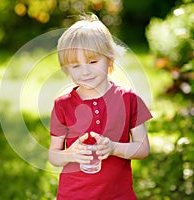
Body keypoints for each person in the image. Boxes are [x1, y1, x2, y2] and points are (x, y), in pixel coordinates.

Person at [48, 13, 152, 200]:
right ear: (66, 68)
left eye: (92, 62)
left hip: (118, 195)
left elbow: (143, 149)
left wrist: (113, 148)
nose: (85, 71)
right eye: (75, 66)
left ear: (109, 60)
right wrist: (70, 154)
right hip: (73, 195)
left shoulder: (128, 99)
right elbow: (54, 156)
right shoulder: (63, 105)